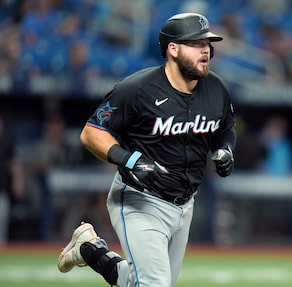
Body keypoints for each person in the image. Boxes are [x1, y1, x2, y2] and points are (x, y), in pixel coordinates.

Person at [57, 12, 236, 287]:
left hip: (184, 204)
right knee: (154, 283)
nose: (206, 50)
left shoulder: (215, 88)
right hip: (140, 199)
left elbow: (225, 130)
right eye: (196, 43)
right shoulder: (138, 89)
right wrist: (129, 160)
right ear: (173, 49)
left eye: (207, 44)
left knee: (140, 281)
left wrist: (226, 149)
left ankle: (89, 249)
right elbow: (92, 133)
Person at [0, 116, 23, 246]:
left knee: (1, 221)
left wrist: (17, 181)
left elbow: (14, 163)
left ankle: (1, 249)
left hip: (2, 188)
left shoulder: (6, 141)